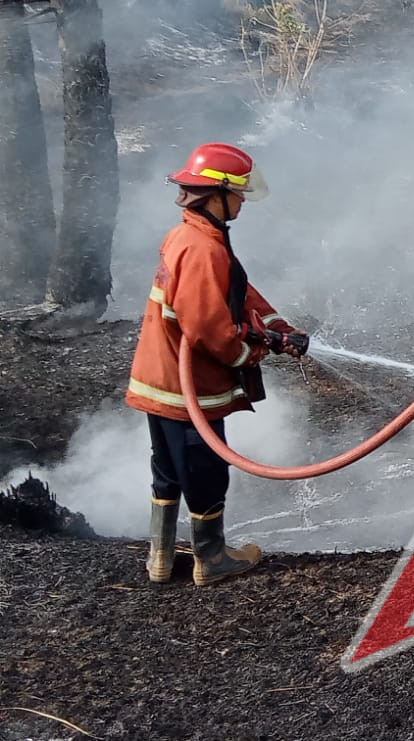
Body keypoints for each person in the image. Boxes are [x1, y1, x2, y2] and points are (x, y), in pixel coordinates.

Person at [125, 143, 305, 587]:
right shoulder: (202, 249)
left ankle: (161, 559)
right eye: (238, 192)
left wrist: (279, 327)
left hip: (159, 379)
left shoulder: (192, 236)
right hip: (188, 388)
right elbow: (211, 330)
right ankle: (211, 559)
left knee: (166, 468)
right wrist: (256, 351)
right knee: (205, 469)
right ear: (215, 195)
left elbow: (235, 289)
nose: (243, 201)